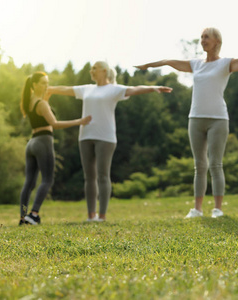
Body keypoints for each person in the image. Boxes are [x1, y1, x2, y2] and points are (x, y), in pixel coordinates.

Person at [135, 27, 238, 219]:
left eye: (206, 37)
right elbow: (168, 62)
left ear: (216, 41)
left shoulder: (225, 64)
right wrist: (147, 65)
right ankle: (197, 209)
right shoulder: (195, 64)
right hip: (195, 118)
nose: (202, 40)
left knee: (215, 164)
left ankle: (218, 209)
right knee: (199, 165)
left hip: (218, 119)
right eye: (201, 37)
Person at [46, 61, 172, 222]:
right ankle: (91, 215)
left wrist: (153, 88)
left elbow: (133, 89)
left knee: (103, 175)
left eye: (95, 68)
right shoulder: (86, 89)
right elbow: (66, 89)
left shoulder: (114, 89)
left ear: (104, 71)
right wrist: (50, 89)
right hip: (85, 136)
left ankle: (102, 216)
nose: (91, 71)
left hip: (105, 137)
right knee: (89, 177)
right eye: (91, 68)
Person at [19, 71, 92, 225]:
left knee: (29, 183)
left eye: (48, 83)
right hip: (43, 142)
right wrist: (80, 121)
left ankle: (23, 217)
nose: (47, 86)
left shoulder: (29, 101)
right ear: (34, 85)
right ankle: (33, 215)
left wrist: (47, 96)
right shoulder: (42, 104)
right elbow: (55, 124)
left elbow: (40, 111)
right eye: (43, 83)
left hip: (31, 143)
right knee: (47, 180)